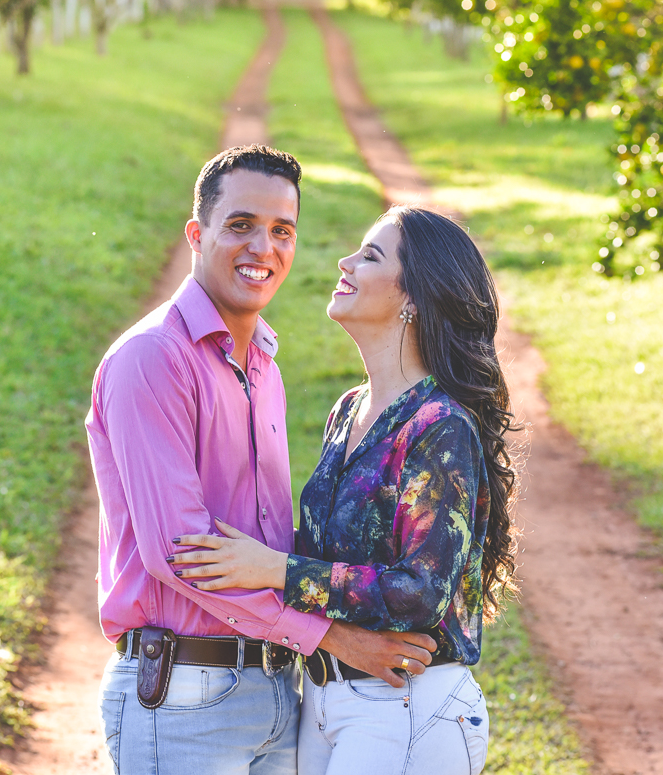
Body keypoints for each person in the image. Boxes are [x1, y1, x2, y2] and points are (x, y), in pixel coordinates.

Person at [86, 146, 438, 775]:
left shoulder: (264, 367)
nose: (263, 248)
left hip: (277, 693)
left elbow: (270, 544)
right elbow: (178, 553)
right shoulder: (152, 359)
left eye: (282, 231)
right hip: (185, 697)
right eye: (240, 225)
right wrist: (335, 637)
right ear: (197, 234)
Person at [169, 205, 521, 775]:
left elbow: (421, 591)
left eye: (371, 255)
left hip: (409, 705)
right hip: (328, 702)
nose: (345, 261)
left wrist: (276, 570)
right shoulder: (349, 410)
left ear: (414, 299)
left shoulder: (439, 426)